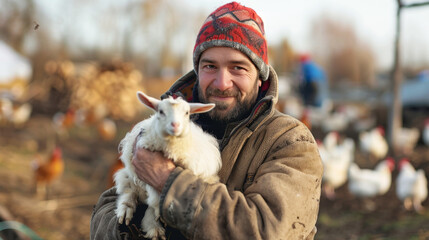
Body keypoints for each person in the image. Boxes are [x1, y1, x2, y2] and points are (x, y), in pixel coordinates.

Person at [90, 2, 323, 239]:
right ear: (197, 70)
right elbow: (107, 207)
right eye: (210, 66)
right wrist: (129, 227)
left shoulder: (290, 141)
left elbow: (269, 230)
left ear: (259, 77)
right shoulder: (164, 126)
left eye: (238, 68)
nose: (222, 83)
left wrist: (167, 182)